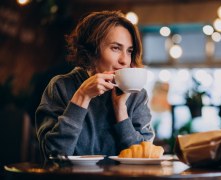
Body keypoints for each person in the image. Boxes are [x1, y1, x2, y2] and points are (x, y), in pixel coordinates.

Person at [35, 10, 154, 160]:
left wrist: (121, 113)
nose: (125, 60)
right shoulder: (61, 86)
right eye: (115, 48)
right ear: (91, 50)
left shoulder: (136, 94)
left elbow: (144, 157)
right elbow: (54, 156)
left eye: (129, 51)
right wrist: (81, 97)